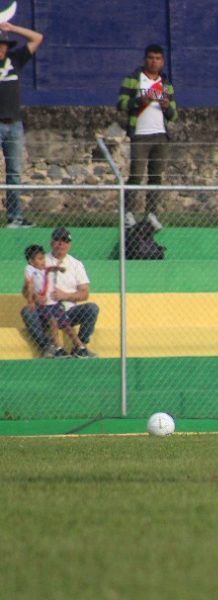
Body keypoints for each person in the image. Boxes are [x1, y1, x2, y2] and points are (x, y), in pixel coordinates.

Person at [117, 44, 177, 231]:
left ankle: (151, 213)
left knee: (156, 177)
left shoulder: (165, 84)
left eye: (158, 59)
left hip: (160, 134)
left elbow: (174, 115)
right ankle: (128, 214)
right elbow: (121, 104)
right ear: (145, 59)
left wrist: (167, 106)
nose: (154, 61)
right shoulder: (133, 80)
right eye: (151, 58)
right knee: (136, 175)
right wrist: (139, 101)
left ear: (162, 61)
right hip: (140, 135)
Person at [20, 228, 98, 358]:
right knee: (27, 311)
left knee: (92, 308)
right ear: (51, 243)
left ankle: (80, 347)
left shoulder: (76, 264)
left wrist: (65, 295)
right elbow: (26, 289)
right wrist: (35, 296)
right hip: (44, 310)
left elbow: (84, 293)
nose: (61, 244)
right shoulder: (40, 260)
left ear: (69, 244)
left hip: (68, 312)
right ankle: (48, 347)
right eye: (57, 240)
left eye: (65, 240)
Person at [0, 22, 44, 228]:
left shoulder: (15, 60)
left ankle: (15, 216)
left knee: (15, 172)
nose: (1, 49)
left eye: (3, 45)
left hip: (14, 124)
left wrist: (13, 28)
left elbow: (37, 38)